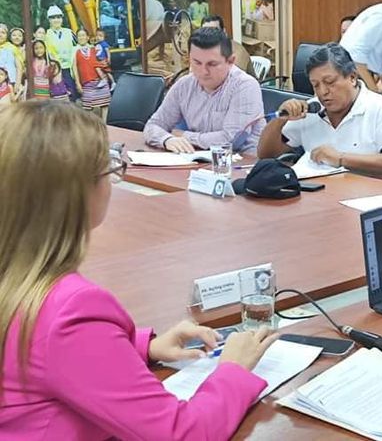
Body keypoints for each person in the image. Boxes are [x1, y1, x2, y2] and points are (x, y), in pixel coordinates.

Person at [0, 101, 278, 439]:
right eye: (108, 168)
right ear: (77, 193)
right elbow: (181, 434)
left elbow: (43, 357)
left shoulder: (18, 282)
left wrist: (141, 347)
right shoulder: (70, 309)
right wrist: (233, 369)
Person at [257, 43, 382, 184]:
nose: (323, 92)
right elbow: (266, 154)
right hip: (329, 195)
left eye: (329, 82)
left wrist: (340, 158)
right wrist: (280, 120)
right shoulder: (310, 109)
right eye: (316, 85)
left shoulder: (381, 107)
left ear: (352, 77)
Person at [144, 27, 265, 155]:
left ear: (230, 61)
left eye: (212, 64)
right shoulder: (184, 85)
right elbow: (153, 125)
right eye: (197, 63)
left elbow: (231, 139)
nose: (203, 71)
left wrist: (184, 136)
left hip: (242, 161)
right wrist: (166, 139)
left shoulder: (245, 86)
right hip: (198, 159)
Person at [73, 29, 112, 120]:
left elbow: (103, 58)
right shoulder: (75, 50)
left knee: (104, 104)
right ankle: (91, 126)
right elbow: (74, 67)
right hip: (86, 82)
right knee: (88, 107)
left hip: (100, 80)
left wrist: (105, 69)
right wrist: (77, 83)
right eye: (79, 36)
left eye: (83, 35)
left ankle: (104, 124)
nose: (81, 37)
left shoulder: (95, 48)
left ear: (87, 37)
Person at [44, 6, 78, 102]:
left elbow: (77, 48)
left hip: (69, 69)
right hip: (55, 70)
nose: (56, 20)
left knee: (72, 95)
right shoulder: (46, 35)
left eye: (58, 17)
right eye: (53, 18)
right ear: (49, 20)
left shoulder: (69, 32)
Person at [0, 24, 19, 95]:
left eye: (3, 32)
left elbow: (19, 67)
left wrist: (18, 83)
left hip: (11, 83)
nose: (0, 35)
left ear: (7, 35)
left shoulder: (12, 48)